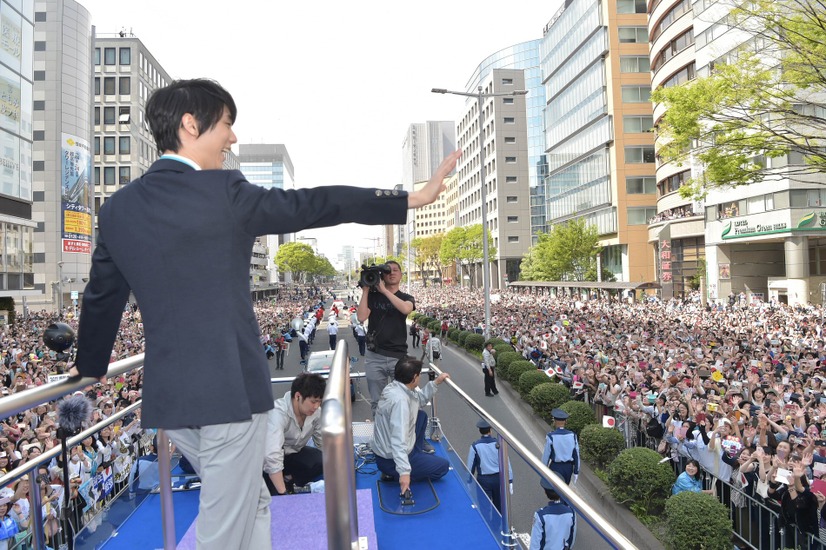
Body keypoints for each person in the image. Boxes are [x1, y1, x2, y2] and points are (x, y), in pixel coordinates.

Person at [72, 78, 461, 550]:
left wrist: (88, 369)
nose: (232, 138)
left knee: (253, 499)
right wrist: (409, 200)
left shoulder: (117, 209)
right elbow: (316, 203)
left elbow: (100, 299)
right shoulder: (224, 191)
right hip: (229, 396)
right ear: (191, 126)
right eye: (227, 125)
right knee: (221, 527)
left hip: (171, 401)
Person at [372, 357, 450, 495]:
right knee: (442, 467)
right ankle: (395, 474)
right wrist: (404, 472)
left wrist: (436, 383)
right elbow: (398, 439)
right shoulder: (400, 402)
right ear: (414, 377)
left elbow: (417, 400)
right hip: (391, 461)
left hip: (385, 453)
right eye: (419, 375)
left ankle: (416, 456)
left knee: (421, 416)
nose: (420, 377)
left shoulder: (395, 387)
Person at [357, 261, 417, 417]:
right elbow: (361, 317)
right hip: (375, 356)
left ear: (401, 275)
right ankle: (380, 436)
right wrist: (365, 291)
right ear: (382, 275)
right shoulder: (372, 297)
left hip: (398, 355)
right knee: (377, 401)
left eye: (396, 270)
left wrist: (384, 291)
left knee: (404, 399)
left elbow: (405, 309)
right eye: (388, 270)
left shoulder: (406, 297)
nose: (392, 273)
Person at [264, 373, 325, 496]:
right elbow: (271, 456)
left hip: (292, 455)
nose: (316, 406)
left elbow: (323, 442)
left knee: (322, 460)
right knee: (275, 499)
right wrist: (283, 493)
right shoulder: (277, 414)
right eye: (313, 402)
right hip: (265, 462)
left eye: (319, 402)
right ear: (298, 396)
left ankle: (289, 479)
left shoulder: (316, 413)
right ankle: (279, 486)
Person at [467, 418, 512, 512]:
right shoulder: (499, 444)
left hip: (483, 480)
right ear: (491, 430)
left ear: (480, 431)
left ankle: (488, 525)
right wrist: (510, 480)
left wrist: (469, 480)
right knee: (500, 505)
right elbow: (506, 463)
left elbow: (470, 465)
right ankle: (499, 525)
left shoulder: (475, 446)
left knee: (485, 506)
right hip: (499, 478)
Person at [540, 409, 580, 487]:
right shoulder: (572, 436)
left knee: (556, 489)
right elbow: (576, 455)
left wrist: (543, 470)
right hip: (568, 468)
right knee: (565, 489)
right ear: (565, 422)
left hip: (556, 467)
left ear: (554, 421)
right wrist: (576, 471)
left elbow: (546, 456)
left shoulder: (551, 436)